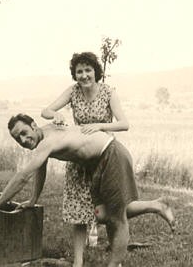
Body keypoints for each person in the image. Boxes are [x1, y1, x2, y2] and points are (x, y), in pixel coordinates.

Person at [0, 114, 175, 267]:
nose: (23, 140)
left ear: (33, 125)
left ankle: (114, 264)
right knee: (100, 214)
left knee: (117, 218)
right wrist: (33, 199)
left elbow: (23, 176)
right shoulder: (44, 135)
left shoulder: (48, 141)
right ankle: (156, 205)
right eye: (18, 138)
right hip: (98, 163)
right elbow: (40, 169)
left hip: (112, 154)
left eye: (24, 132)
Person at [41, 52, 129, 266]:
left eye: (88, 70)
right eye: (79, 71)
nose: (84, 75)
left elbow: (124, 123)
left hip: (105, 158)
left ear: (96, 72)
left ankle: (115, 261)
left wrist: (100, 125)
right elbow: (46, 110)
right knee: (78, 211)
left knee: (110, 211)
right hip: (80, 158)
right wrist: (56, 115)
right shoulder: (73, 91)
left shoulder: (108, 92)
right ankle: (78, 263)